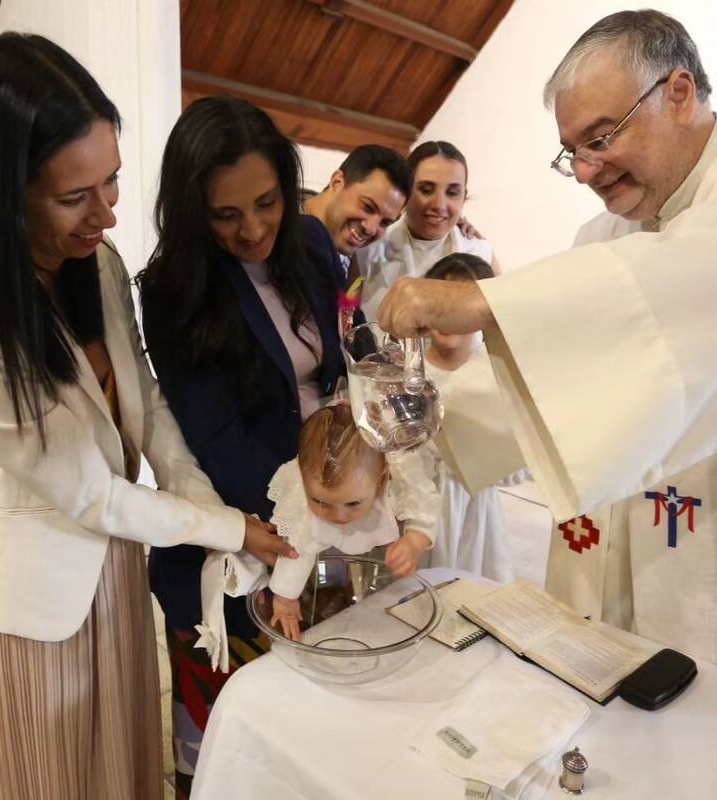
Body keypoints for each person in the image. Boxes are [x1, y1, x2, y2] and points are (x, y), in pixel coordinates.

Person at [0, 35, 289, 800]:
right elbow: (90, 494)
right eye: (74, 196)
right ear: (2, 190)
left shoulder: (98, 265)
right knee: (57, 777)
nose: (107, 216)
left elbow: (145, 406)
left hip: (115, 569)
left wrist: (214, 506)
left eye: (113, 182)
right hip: (42, 590)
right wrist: (231, 529)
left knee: (124, 763)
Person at [377, 10, 717, 663]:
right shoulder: (603, 239)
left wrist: (479, 299)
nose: (587, 171)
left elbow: (683, 279)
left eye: (603, 137)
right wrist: (417, 424)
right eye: (574, 152)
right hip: (608, 548)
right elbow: (551, 363)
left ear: (678, 93)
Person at [137, 96, 350, 792]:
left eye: (266, 203)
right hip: (245, 523)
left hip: (325, 506)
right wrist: (310, 513)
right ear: (193, 208)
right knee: (234, 735)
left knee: (318, 723)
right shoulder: (177, 286)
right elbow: (215, 435)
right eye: (226, 215)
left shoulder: (313, 245)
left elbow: (336, 369)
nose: (253, 228)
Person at [267, 404, 435, 640]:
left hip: (385, 564)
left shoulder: (397, 478)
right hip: (331, 574)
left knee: (392, 609)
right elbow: (299, 547)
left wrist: (414, 541)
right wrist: (285, 597)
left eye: (352, 503)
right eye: (320, 501)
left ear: (381, 478)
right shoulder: (305, 498)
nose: (338, 516)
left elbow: (424, 510)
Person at [421, 253, 521, 581]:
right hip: (416, 509)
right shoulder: (407, 370)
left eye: (459, 309)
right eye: (440, 303)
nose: (448, 318)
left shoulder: (494, 373)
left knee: (470, 585)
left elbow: (518, 458)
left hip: (473, 509)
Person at [358, 140, 499, 320]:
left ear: (464, 197)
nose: (439, 205)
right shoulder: (369, 249)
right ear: (406, 192)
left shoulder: (480, 253)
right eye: (426, 190)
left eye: (452, 193)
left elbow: (499, 328)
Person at [303, 144, 412, 276]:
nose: (371, 229)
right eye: (368, 207)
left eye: (384, 223)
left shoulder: (351, 265)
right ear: (337, 183)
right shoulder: (277, 228)